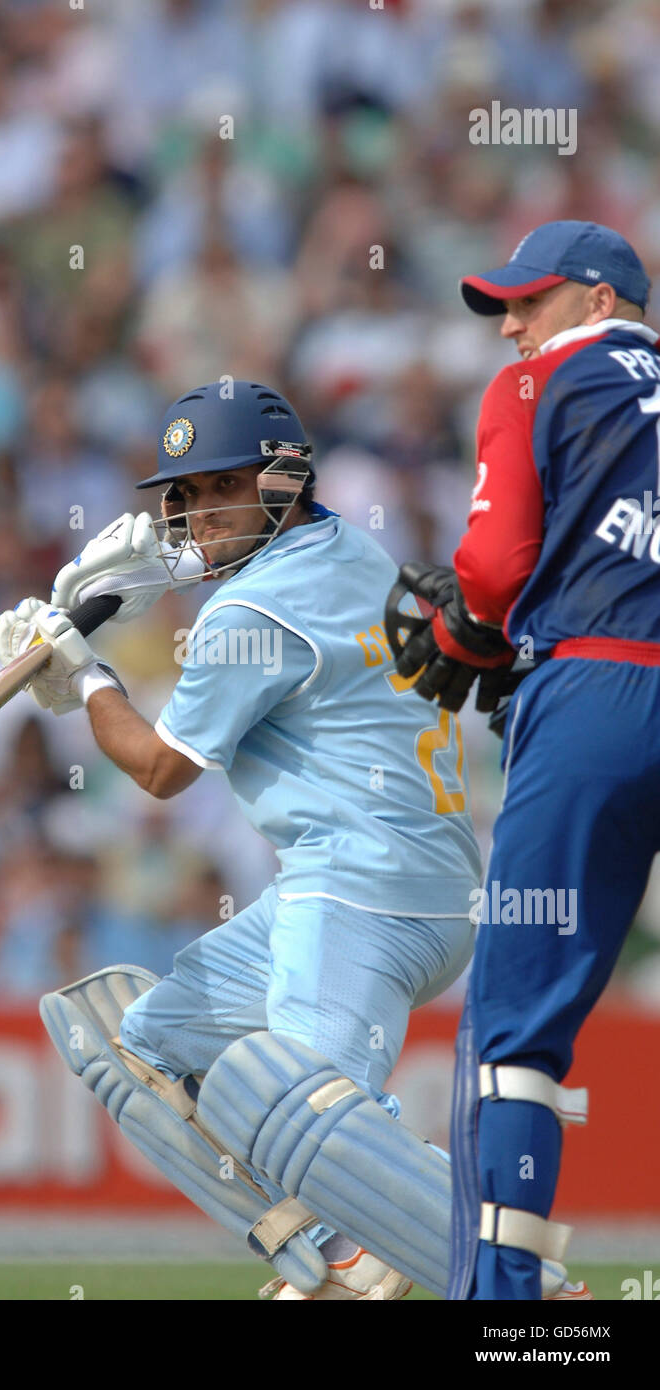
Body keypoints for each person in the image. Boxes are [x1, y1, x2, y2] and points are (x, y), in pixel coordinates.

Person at [0, 379, 578, 1301]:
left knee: (311, 1118)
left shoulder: (247, 615)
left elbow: (158, 771)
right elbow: (262, 592)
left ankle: (528, 1297)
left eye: (214, 489)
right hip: (393, 882)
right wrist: (144, 582)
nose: (190, 517)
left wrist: (85, 674)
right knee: (133, 1047)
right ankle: (330, 1254)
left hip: (358, 896)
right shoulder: (352, 546)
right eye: (178, 496)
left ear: (278, 480)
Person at [389, 220, 660, 1300]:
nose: (509, 324)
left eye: (527, 300)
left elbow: (491, 573)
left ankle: (499, 1304)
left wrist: (475, 632)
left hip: (594, 692)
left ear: (598, 302)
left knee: (513, 1023)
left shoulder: (534, 385)